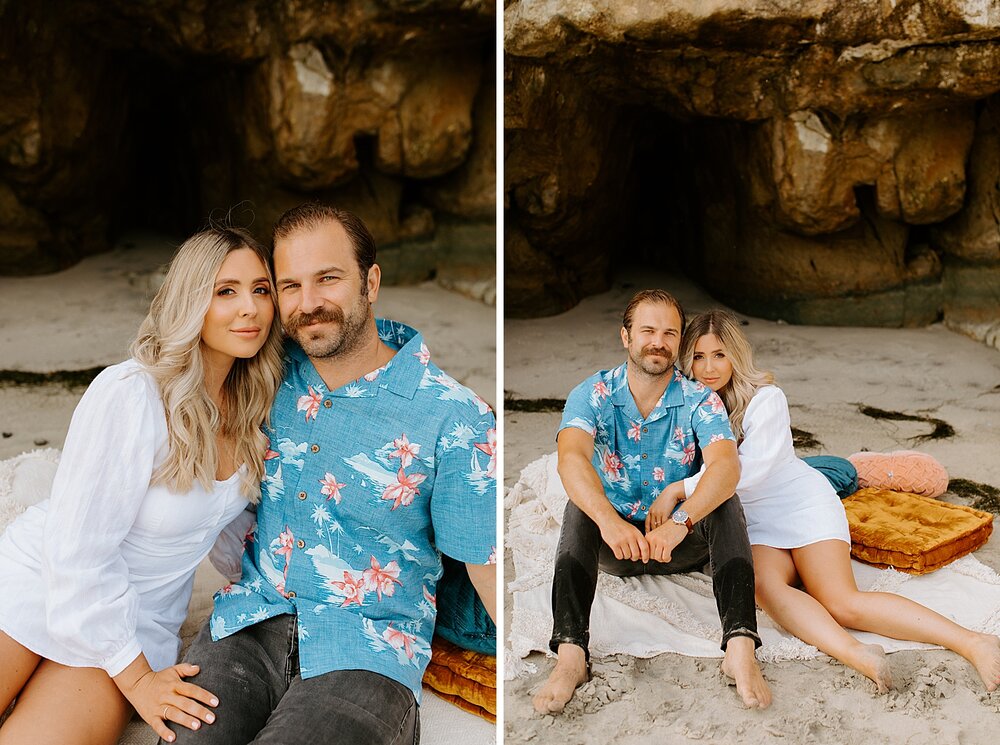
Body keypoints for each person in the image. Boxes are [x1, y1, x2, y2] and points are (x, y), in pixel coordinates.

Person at [167, 203, 497, 745]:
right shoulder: (264, 372)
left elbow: (480, 561)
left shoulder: (452, 416)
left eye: (328, 278)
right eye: (290, 285)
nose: (309, 303)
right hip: (248, 623)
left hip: (367, 648)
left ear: (370, 282)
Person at [0, 226, 284, 744]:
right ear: (189, 300)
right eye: (226, 291)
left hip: (137, 622)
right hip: (43, 584)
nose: (250, 308)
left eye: (261, 289)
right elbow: (76, 555)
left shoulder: (256, 408)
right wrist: (139, 683)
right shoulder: (132, 395)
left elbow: (229, 532)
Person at [664, 308, 1000, 693]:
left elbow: (746, 471)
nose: (709, 367)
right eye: (699, 356)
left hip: (801, 506)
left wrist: (682, 490)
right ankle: (856, 652)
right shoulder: (689, 407)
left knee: (842, 602)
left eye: (719, 354)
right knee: (766, 589)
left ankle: (972, 642)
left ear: (736, 356)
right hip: (755, 523)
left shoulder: (766, 399)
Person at [532, 289, 771, 715]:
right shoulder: (592, 394)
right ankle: (571, 655)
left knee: (725, 500)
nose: (657, 341)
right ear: (625, 336)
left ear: (678, 343)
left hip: (681, 543)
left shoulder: (700, 399)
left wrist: (681, 521)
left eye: (669, 333)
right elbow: (570, 459)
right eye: (647, 330)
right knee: (579, 506)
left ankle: (739, 645)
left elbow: (725, 466)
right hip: (615, 542)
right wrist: (609, 521)